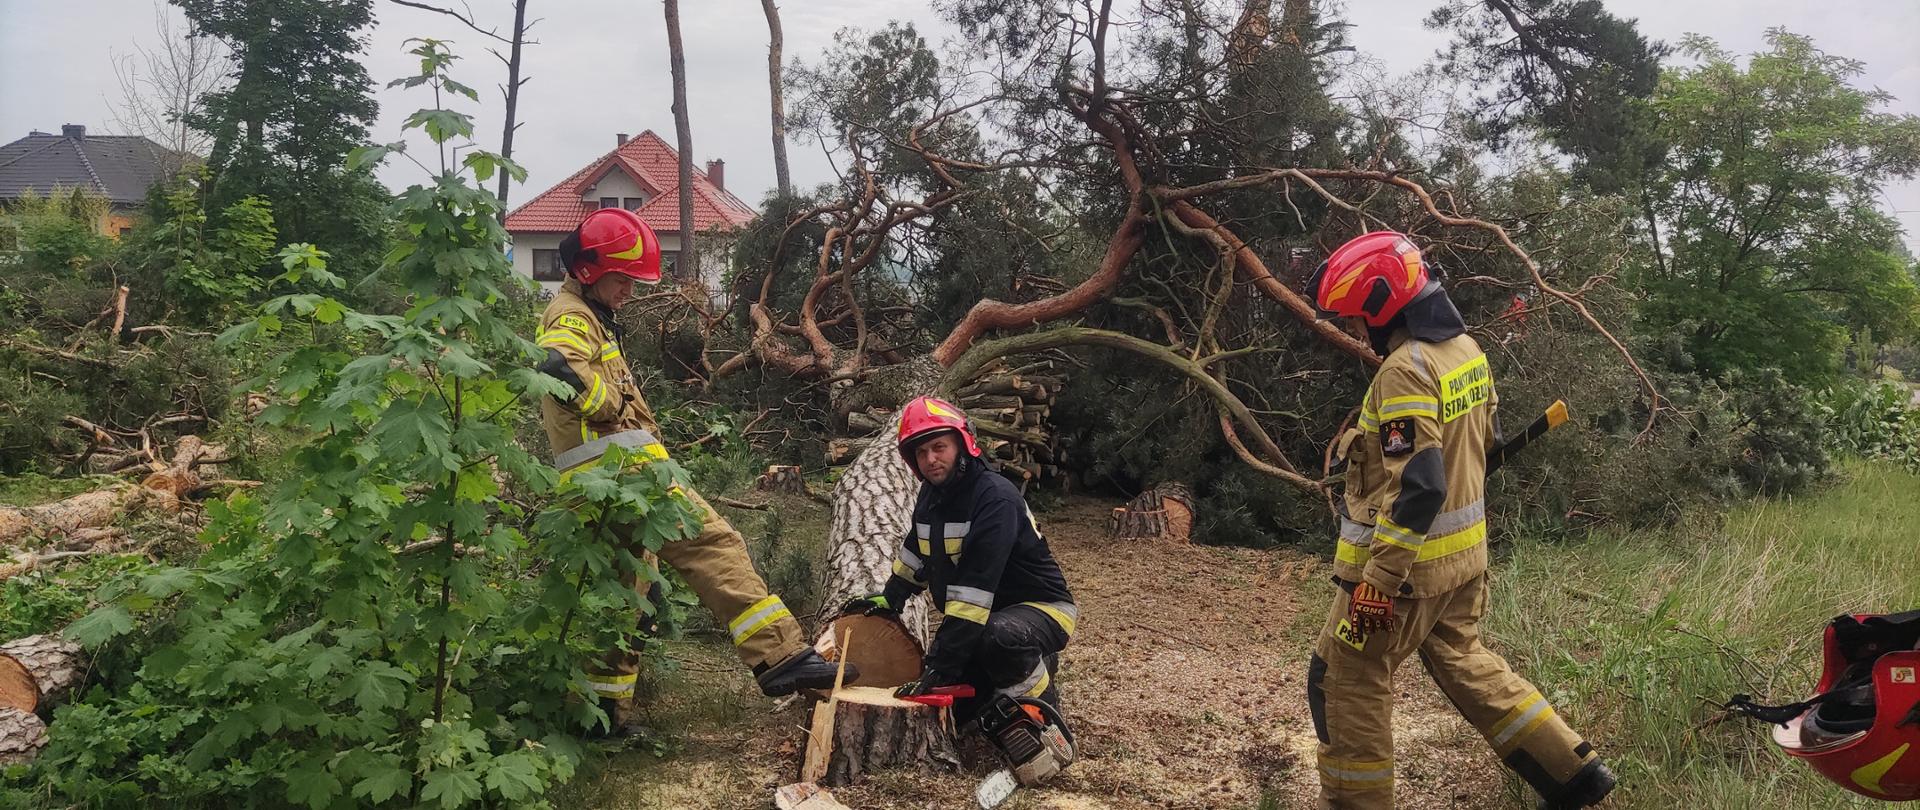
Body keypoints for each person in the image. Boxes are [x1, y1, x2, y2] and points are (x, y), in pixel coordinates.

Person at [1304, 231, 1614, 809]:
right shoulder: (1467, 352)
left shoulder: (1405, 370)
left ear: (1378, 306)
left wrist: (1377, 583)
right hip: (1463, 563)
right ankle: (1573, 774)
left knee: (1342, 680)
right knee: (1465, 660)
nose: (1353, 331)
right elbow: (1483, 443)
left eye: (1352, 318)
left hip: (1404, 577)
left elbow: (1419, 487)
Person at [534, 208, 852, 733]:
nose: (629, 293)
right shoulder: (571, 316)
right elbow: (557, 369)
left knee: (627, 599)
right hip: (624, 475)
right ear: (591, 272)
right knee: (714, 545)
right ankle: (781, 658)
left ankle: (599, 718)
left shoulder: (586, 313)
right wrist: (612, 405)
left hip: (600, 482)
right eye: (623, 281)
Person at [840, 396, 1077, 722]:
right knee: (966, 711)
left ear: (963, 444)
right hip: (984, 615)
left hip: (1041, 608)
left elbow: (972, 594)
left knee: (998, 638)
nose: (930, 459)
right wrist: (891, 596)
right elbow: (917, 549)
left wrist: (942, 663)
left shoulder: (994, 499)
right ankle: (1016, 665)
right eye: (921, 453)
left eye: (939, 447)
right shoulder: (932, 494)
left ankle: (1042, 718)